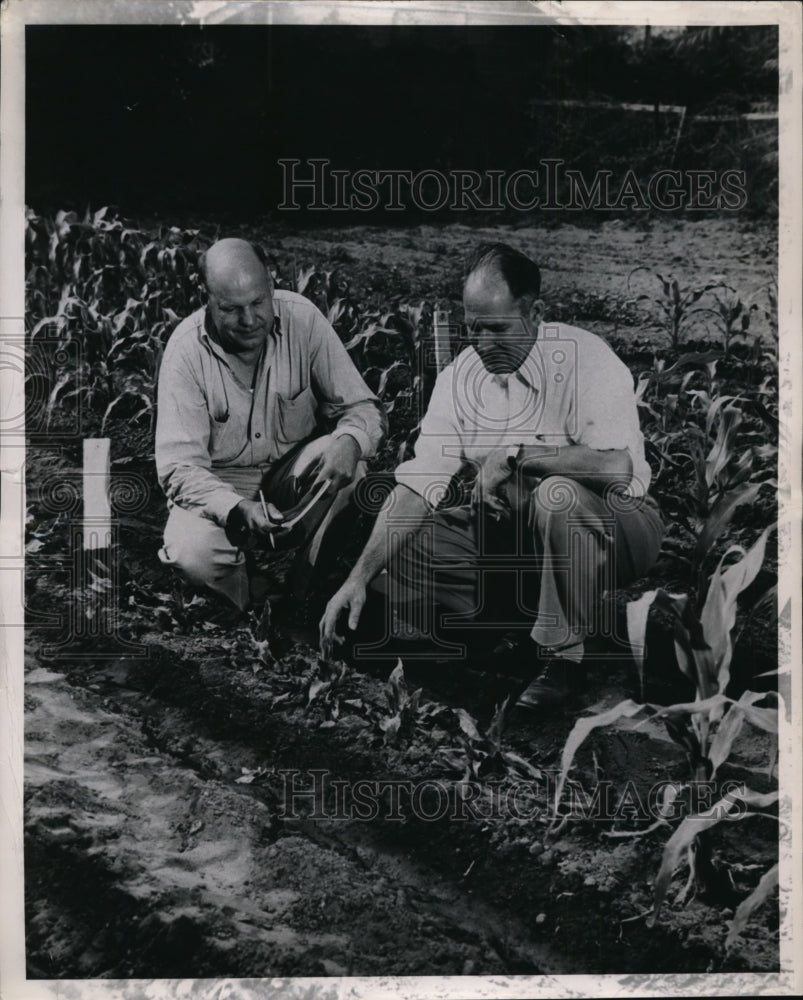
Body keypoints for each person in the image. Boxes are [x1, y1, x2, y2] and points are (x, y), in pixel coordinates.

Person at [320, 242, 664, 712]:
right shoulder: (462, 377)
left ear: (535, 313)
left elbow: (616, 469)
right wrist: (360, 576)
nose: (482, 344)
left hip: (617, 525)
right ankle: (504, 621)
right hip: (514, 530)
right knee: (409, 539)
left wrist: (517, 456)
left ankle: (564, 659)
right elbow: (419, 484)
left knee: (555, 495)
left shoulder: (587, 359)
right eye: (473, 328)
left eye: (497, 328)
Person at [155, 237, 385, 613]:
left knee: (352, 467)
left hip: (290, 476)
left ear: (271, 283)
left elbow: (364, 407)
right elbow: (180, 469)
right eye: (231, 309)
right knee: (192, 555)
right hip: (222, 490)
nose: (249, 321)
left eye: (259, 303)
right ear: (205, 297)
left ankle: (305, 595)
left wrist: (350, 439)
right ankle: (247, 610)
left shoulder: (303, 319)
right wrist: (239, 507)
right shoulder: (185, 352)